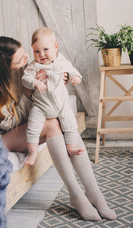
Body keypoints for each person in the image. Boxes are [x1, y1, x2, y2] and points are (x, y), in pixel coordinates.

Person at [0, 36, 117, 221]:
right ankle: (76, 195)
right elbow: (11, 122)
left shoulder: (27, 68)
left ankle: (94, 193)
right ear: (4, 68)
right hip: (0, 137)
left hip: (20, 123)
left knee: (65, 121)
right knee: (51, 124)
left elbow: (55, 69)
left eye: (24, 52)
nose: (26, 58)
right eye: (20, 58)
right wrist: (30, 93)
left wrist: (54, 82)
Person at [22, 27, 84, 165]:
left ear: (55, 47)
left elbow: (74, 71)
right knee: (33, 127)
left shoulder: (62, 62)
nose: (41, 54)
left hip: (61, 105)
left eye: (45, 49)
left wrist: (75, 77)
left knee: (71, 125)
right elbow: (25, 78)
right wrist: (34, 82)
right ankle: (32, 152)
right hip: (41, 106)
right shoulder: (34, 66)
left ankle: (71, 147)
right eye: (36, 51)